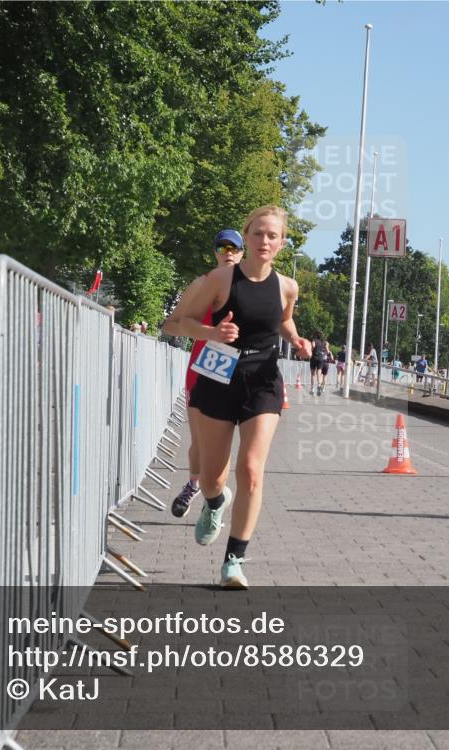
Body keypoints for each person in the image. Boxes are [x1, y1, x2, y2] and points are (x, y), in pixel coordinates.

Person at [163, 206, 312, 588]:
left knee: (250, 468)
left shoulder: (287, 286)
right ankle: (214, 502)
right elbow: (175, 323)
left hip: (262, 381)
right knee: (212, 477)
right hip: (217, 376)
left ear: (281, 243)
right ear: (246, 237)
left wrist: (295, 339)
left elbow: (281, 318)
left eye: (272, 236)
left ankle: (234, 561)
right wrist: (212, 334)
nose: (265, 241)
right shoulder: (221, 279)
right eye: (258, 233)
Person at [161, 229, 244, 518]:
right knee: (199, 441)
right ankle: (200, 488)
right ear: (214, 252)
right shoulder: (202, 285)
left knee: (223, 444)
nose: (228, 252)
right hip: (202, 370)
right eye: (222, 247)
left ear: (243, 253)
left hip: (239, 373)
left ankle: (214, 497)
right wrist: (208, 332)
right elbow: (169, 326)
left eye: (234, 248)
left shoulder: (254, 288)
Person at [309, 330, 329, 396]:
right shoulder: (323, 342)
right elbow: (327, 350)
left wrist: (310, 351)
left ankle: (312, 389)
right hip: (321, 359)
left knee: (312, 374)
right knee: (319, 373)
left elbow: (313, 346)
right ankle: (319, 385)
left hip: (314, 357)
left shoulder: (314, 340)